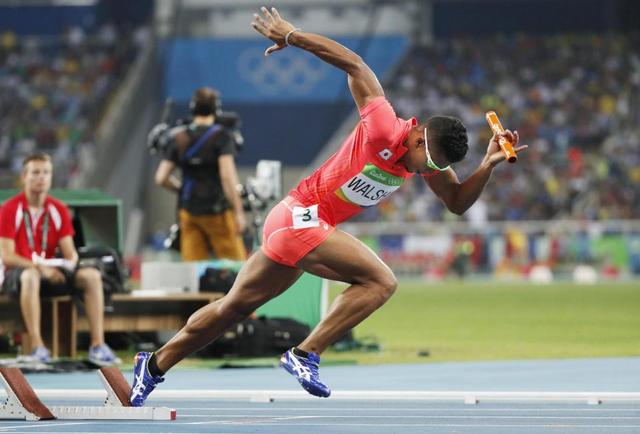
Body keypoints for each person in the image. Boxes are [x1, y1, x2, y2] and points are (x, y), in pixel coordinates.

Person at [130, 7, 526, 405]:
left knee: (232, 308)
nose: (433, 173)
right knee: (381, 281)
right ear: (419, 139)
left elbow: (457, 203)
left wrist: (488, 165)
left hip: (296, 224)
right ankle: (304, 354)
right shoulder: (384, 125)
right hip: (299, 217)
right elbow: (354, 64)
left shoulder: (424, 161)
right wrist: (292, 36)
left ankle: (153, 367)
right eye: (434, 164)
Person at [0, 153, 121, 365]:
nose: (41, 177)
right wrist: (40, 267)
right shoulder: (10, 209)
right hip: (18, 275)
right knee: (30, 276)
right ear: (24, 177)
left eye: (46, 172)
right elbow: (8, 256)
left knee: (91, 275)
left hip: (52, 272)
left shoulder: (59, 209)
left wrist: (71, 266)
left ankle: (98, 346)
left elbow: (69, 252)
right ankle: (38, 348)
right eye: (36, 172)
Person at [154, 87, 247, 261]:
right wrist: (239, 212)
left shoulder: (179, 137)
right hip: (217, 211)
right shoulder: (222, 137)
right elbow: (227, 177)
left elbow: (161, 178)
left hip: (188, 211)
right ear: (216, 110)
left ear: (193, 108)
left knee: (193, 270)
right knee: (235, 266)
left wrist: (181, 189)